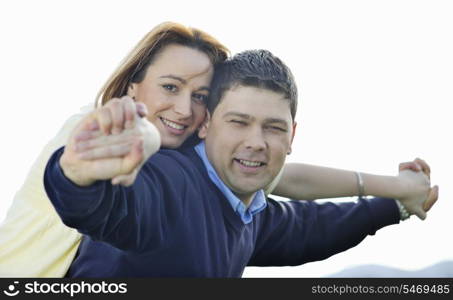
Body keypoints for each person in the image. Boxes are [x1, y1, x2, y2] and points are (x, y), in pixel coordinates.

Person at [0, 21, 437, 277]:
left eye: (200, 96)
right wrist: (76, 172)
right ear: (134, 86)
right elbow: (108, 198)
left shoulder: (231, 191)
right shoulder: (107, 136)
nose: (183, 108)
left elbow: (299, 204)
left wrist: (398, 195)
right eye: (170, 87)